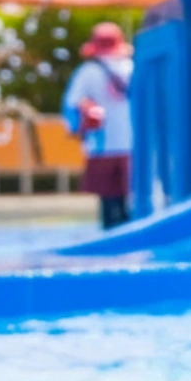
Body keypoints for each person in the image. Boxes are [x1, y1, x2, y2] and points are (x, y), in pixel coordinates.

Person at [62, 21, 133, 228]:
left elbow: (72, 104)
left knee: (108, 202)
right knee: (129, 199)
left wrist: (76, 128)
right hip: (132, 144)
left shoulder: (87, 72)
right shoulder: (131, 68)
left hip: (102, 145)